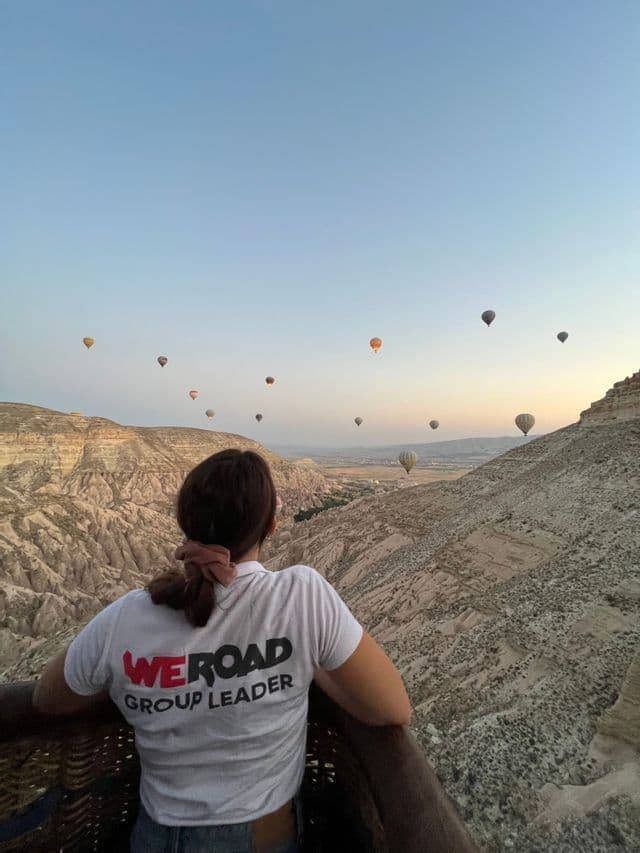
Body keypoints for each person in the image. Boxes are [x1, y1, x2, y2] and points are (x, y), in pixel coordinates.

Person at [32, 449, 412, 853]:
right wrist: (306, 664)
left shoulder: (124, 617)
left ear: (185, 522)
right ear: (270, 525)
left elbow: (47, 698)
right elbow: (392, 708)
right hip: (259, 839)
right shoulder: (301, 597)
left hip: (155, 838)